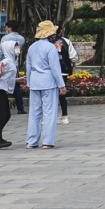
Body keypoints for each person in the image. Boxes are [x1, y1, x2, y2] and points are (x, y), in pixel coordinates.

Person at [25, 20, 67, 149]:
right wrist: (62, 85)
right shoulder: (50, 47)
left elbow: (28, 67)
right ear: (50, 34)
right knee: (49, 112)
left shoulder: (32, 47)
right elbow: (55, 68)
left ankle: (31, 141)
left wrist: (28, 82)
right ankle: (47, 141)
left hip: (35, 81)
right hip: (48, 82)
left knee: (34, 112)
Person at [0, 37, 19, 148]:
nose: (17, 49)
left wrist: (19, 80)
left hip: (1, 90)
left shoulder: (12, 61)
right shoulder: (6, 61)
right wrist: (0, 73)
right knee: (3, 115)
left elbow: (8, 78)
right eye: (15, 47)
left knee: (6, 115)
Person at [0, 20, 26, 114]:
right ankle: (20, 108)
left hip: (4, 64)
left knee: (2, 85)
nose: (6, 28)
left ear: (10, 28)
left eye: (6, 27)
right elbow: (17, 52)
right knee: (16, 86)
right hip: (14, 64)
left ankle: (4, 107)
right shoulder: (21, 39)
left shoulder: (4, 39)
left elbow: (0, 53)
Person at [53, 31, 78, 123]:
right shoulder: (66, 41)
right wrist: (73, 65)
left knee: (51, 94)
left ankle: (50, 117)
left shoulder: (46, 41)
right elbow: (73, 55)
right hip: (64, 69)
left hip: (50, 72)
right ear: (61, 31)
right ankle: (64, 116)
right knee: (62, 94)